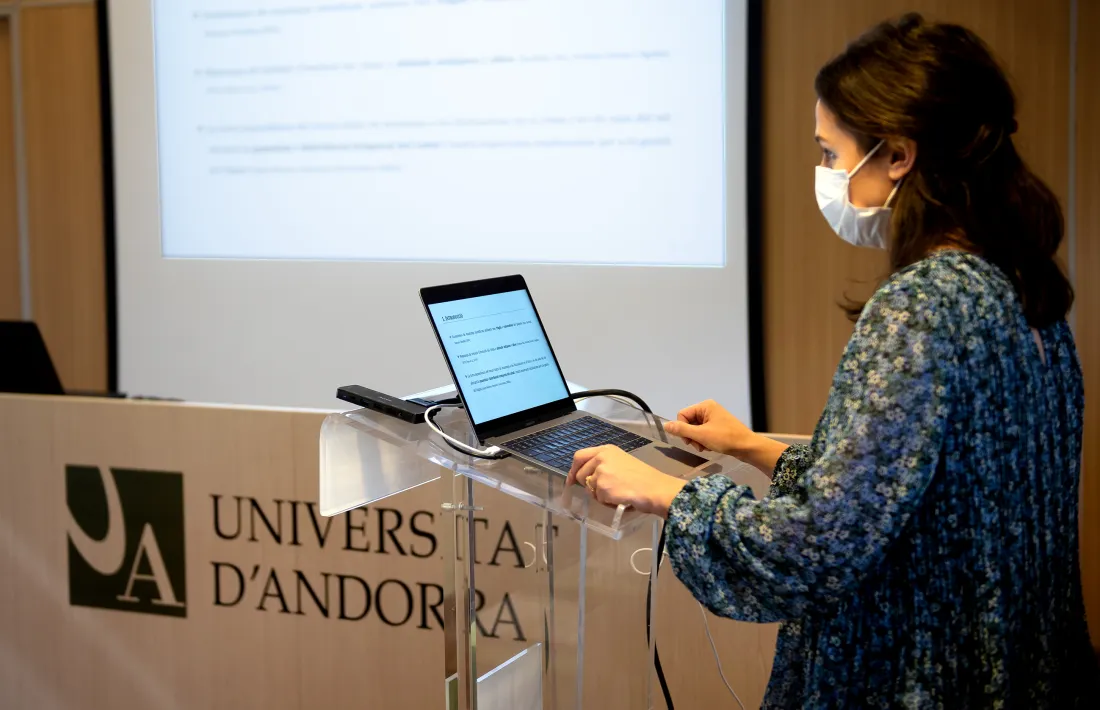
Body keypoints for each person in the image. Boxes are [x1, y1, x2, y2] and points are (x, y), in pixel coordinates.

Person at [567, 13, 1098, 709]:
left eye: (829, 153)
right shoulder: (1021, 287)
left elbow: (812, 550)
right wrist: (752, 447)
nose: (825, 174)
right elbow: (914, 497)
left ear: (899, 154)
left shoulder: (923, 305)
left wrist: (663, 491)